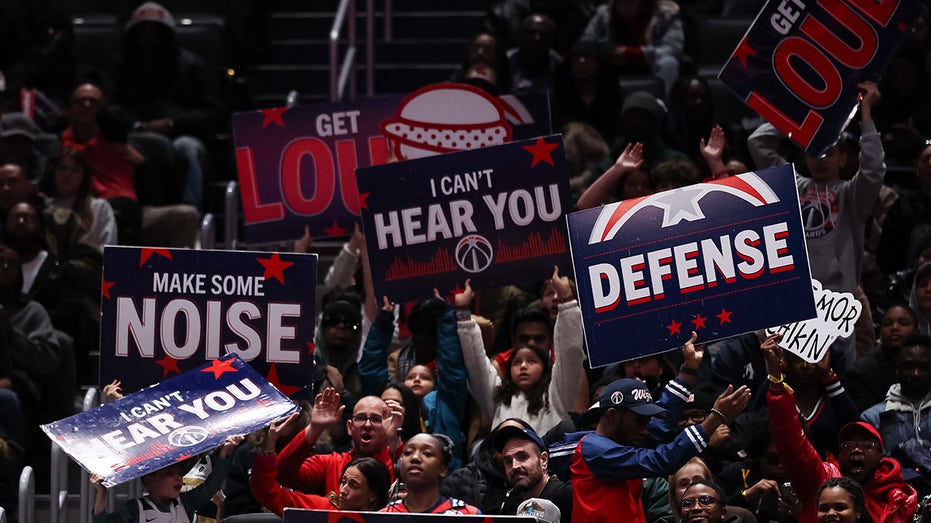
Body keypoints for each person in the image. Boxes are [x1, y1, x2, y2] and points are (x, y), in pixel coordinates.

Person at [762, 332, 919, 523]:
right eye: (847, 444)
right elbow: (791, 442)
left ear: (881, 455)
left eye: (866, 445)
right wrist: (777, 381)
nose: (856, 449)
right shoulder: (821, 479)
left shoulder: (901, 499)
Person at [567, 374, 750, 523]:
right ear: (612, 415)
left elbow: (659, 424)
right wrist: (715, 418)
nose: (645, 430)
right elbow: (663, 460)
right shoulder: (596, 450)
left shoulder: (622, 442)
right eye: (639, 422)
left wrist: (687, 371)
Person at [112, 1, 220, 210]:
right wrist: (136, 125)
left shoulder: (191, 65)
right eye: (143, 33)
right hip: (133, 134)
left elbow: (212, 111)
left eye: (154, 33)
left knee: (188, 149)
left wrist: (172, 122)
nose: (148, 39)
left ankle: (189, 215)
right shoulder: (123, 66)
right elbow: (112, 106)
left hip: (180, 134)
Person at [458, 270, 583, 437]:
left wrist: (567, 300)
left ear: (545, 366)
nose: (523, 366)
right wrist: (463, 311)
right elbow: (476, 364)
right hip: (505, 463)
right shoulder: (497, 398)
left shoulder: (557, 394)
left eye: (531, 361)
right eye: (516, 362)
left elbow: (570, 353)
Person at [251, 410, 391, 515]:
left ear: (373, 495)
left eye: (353, 485)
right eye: (343, 482)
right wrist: (268, 446)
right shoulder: (324, 508)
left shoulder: (388, 517)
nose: (342, 490)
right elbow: (266, 492)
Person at [275, 388, 403, 499]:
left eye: (376, 419)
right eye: (361, 418)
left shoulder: (399, 461)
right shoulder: (330, 464)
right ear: (349, 427)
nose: (368, 425)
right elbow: (282, 474)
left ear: (389, 426)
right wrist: (314, 428)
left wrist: (394, 441)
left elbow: (412, 485)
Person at [91, 435, 243, 523]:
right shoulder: (135, 510)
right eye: (170, 473)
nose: (179, 478)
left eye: (180, 473)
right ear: (149, 479)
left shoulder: (186, 502)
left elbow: (213, 484)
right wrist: (101, 493)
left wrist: (224, 453)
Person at [577, 0, 685, 95]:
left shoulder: (665, 13)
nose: (624, 7)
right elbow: (585, 43)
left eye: (630, 2)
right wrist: (604, 52)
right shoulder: (604, 13)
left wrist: (637, 55)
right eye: (619, 2)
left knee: (669, 63)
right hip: (614, 67)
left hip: (651, 65)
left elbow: (674, 48)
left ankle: (662, 105)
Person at [860, 334, 931, 476]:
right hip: (894, 493)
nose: (916, 373)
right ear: (898, 368)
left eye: (924, 367)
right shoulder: (873, 418)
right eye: (909, 366)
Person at [381, 433, 480, 514]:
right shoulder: (384, 516)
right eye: (408, 453)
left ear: (443, 470)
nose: (414, 458)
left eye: (427, 453)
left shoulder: (467, 515)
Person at [847, 305, 918, 411]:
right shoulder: (862, 372)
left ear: (917, 331)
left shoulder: (926, 362)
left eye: (903, 323)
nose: (894, 327)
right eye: (887, 324)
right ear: (880, 332)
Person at [495, 423, 572, 520]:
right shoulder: (508, 504)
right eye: (509, 461)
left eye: (522, 457)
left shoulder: (569, 496)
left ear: (543, 460)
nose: (515, 466)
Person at [44, 147, 117, 247]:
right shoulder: (45, 206)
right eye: (62, 169)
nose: (67, 175)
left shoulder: (99, 207)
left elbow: (108, 246)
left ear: (83, 176)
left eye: (75, 170)